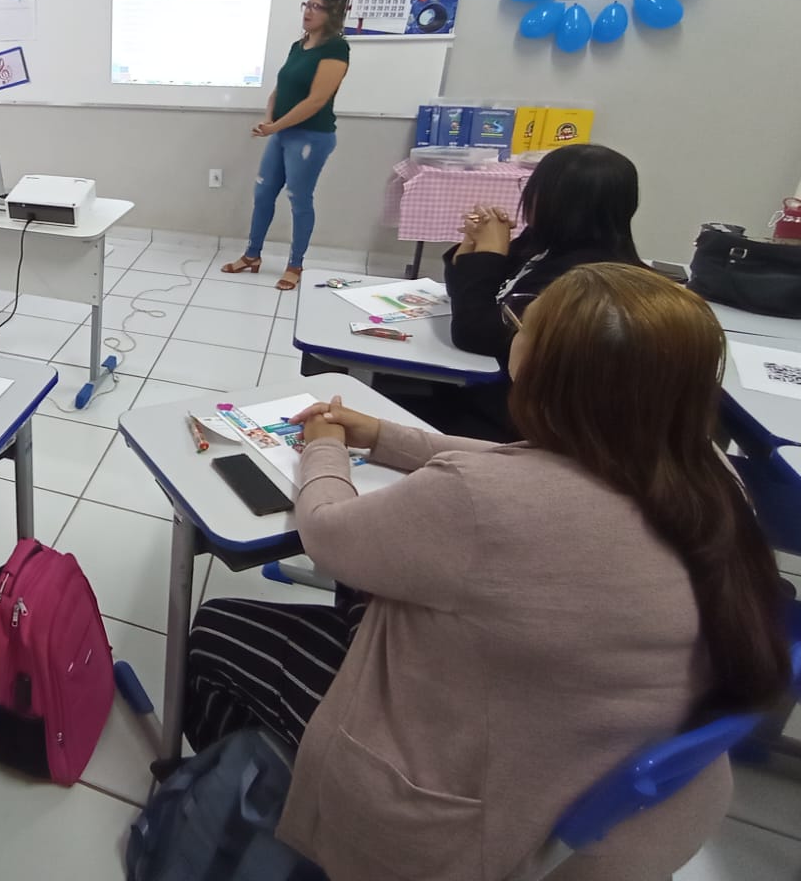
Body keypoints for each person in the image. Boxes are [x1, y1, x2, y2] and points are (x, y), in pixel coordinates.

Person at [186, 264, 791, 880]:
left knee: (215, 631)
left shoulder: (483, 500)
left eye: (522, 324)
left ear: (554, 368)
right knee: (365, 597)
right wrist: (384, 437)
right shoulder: (705, 471)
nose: (513, 332)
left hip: (476, 814)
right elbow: (538, 469)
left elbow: (328, 534)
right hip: (610, 780)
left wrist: (324, 445)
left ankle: (247, 831)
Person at [430, 143, 644, 440]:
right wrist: (473, 246)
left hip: (520, 419)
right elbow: (468, 292)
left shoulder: (586, 277)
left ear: (557, 203)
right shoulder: (545, 242)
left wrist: (489, 254)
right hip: (497, 393)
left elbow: (474, 333)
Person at [221, 0, 351, 290]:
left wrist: (275, 126)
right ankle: (252, 256)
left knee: (299, 199)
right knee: (263, 194)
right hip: (281, 132)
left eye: (317, 7)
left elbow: (316, 101)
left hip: (311, 137)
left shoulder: (336, 49)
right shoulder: (299, 45)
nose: (308, 11)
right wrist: (269, 121)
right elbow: (280, 90)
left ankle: (295, 265)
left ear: (332, 14)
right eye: (307, 4)